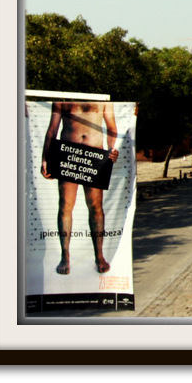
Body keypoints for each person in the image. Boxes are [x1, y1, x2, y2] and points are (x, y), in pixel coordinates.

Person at [41, 101, 119, 275]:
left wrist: (112, 148)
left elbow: (112, 127)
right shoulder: (61, 98)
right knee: (65, 206)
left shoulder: (104, 99)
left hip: (95, 156)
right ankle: (65, 255)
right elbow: (52, 130)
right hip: (68, 154)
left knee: (96, 207)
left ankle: (99, 255)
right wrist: (45, 158)